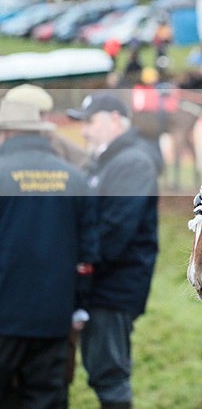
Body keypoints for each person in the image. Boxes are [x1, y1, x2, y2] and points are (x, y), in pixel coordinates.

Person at [67, 92, 162, 409]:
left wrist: (77, 266)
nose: (84, 131)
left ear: (115, 120)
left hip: (112, 288)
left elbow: (114, 233)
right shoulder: (108, 160)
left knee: (109, 375)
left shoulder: (131, 162)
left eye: (90, 122)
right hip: (101, 285)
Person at [0, 99, 97, 408]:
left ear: (5, 133)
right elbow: (89, 251)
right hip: (55, 316)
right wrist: (78, 306)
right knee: (47, 398)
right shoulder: (75, 178)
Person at [3, 83, 88, 168]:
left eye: (43, 114)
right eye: (39, 114)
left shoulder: (56, 142)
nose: (41, 119)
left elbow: (83, 162)